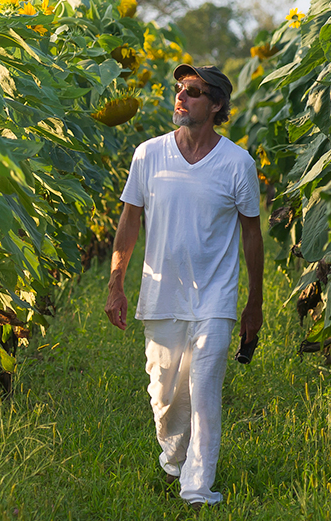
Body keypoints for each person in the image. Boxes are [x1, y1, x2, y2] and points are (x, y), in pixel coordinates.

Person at [104, 64, 264, 509]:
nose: (181, 98)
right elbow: (129, 222)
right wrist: (116, 283)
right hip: (162, 296)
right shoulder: (148, 155)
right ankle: (175, 459)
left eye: (192, 92)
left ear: (216, 105)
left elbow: (252, 233)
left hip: (215, 297)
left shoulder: (237, 163)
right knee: (165, 396)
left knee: (205, 389)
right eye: (179, 90)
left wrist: (255, 302)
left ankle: (197, 488)